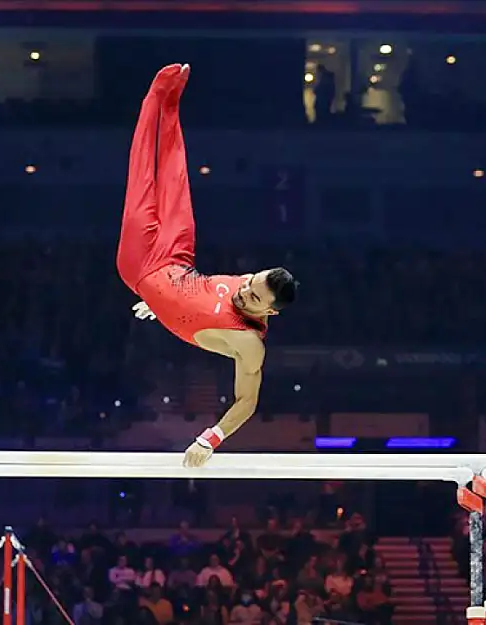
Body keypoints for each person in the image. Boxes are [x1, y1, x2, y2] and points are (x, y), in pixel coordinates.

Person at [115, 64, 298, 468]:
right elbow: (192, 296)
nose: (242, 289)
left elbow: (246, 401)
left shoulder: (248, 343)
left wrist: (209, 439)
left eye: (251, 296)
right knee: (176, 177)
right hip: (178, 258)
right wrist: (160, 304)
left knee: (144, 179)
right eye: (250, 280)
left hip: (141, 267)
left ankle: (152, 98)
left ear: (268, 312)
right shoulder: (247, 283)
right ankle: (170, 104)